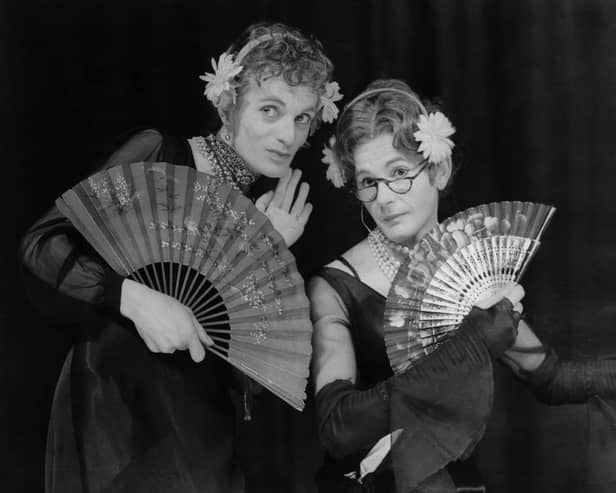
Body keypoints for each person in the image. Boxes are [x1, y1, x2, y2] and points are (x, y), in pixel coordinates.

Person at [19, 22, 341, 493]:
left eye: (302, 118)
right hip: (119, 404)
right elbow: (42, 244)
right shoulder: (158, 153)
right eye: (270, 110)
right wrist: (134, 299)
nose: (287, 135)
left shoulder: (265, 215)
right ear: (228, 104)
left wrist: (264, 248)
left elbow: (239, 364)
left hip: (200, 421)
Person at [311, 78, 616, 492]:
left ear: (438, 169)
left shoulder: (472, 271)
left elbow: (551, 378)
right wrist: (471, 346)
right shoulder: (334, 286)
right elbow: (338, 427)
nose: (384, 197)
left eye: (399, 173)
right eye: (368, 182)